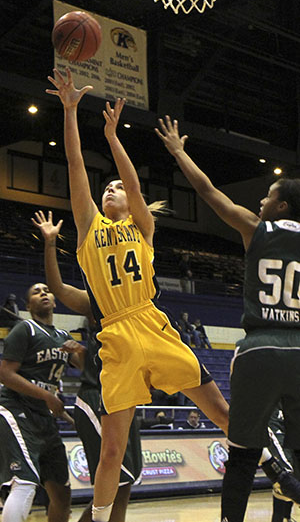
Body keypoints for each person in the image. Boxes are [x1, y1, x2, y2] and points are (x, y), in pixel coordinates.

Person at [46, 68, 230, 522]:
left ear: (133, 202)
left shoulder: (142, 227)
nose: (110, 190)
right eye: (105, 188)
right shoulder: (89, 229)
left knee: (221, 410)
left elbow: (130, 184)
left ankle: (275, 464)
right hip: (117, 337)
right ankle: (101, 515)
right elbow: (74, 168)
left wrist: (113, 137)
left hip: (151, 321)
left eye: (117, 189)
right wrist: (70, 112)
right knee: (111, 454)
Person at [155, 114, 300, 522]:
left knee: (242, 452)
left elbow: (207, 189)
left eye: (268, 195)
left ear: (282, 205)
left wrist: (179, 152)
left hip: (260, 348)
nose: (260, 201)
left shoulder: (255, 228)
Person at [32, 209, 143, 522]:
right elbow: (58, 287)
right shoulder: (99, 299)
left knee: (121, 490)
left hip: (127, 399)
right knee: (110, 490)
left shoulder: (141, 293)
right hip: (99, 399)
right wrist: (51, 243)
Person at [0, 282, 85, 522]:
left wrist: (80, 350)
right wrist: (47, 396)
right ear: (28, 306)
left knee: (61, 493)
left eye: (46, 290)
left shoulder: (63, 337)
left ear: (55, 301)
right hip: (15, 409)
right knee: (25, 483)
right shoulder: (24, 329)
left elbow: (88, 370)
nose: (43, 293)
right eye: (36, 292)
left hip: (44, 417)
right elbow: (5, 374)